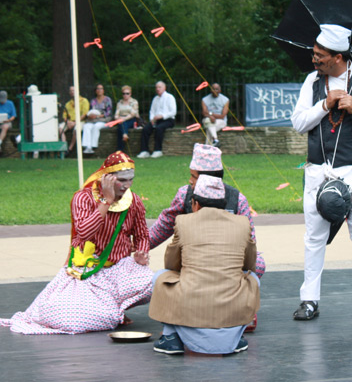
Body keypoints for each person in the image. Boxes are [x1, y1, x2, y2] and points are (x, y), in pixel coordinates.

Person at [290, 24, 352, 321]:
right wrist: (325, 104)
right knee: (314, 237)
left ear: (337, 57)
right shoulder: (312, 82)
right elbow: (298, 123)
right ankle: (309, 299)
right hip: (317, 172)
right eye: (314, 53)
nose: (314, 58)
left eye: (319, 55)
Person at [0, 151, 154, 334]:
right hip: (87, 271)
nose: (127, 186)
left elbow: (142, 235)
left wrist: (142, 253)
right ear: (107, 178)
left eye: (131, 180)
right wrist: (106, 201)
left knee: (150, 282)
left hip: (118, 269)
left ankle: (116, 311)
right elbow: (84, 233)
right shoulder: (83, 198)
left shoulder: (134, 201)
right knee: (74, 321)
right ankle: (109, 313)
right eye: (122, 180)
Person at [149, 174, 260, 355]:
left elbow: (171, 264)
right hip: (232, 304)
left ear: (195, 204)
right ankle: (236, 335)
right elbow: (250, 264)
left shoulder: (183, 221)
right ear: (224, 203)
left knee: (160, 276)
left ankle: (171, 338)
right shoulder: (243, 223)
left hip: (189, 306)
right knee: (253, 278)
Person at [149, 143, 266, 279]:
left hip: (229, 261)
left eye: (194, 176)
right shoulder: (184, 194)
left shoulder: (237, 200)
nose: (190, 180)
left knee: (258, 264)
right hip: (194, 259)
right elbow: (164, 225)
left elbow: (250, 243)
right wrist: (140, 244)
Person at [136, 81, 176, 159]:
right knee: (145, 129)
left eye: (159, 87)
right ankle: (144, 151)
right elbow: (152, 111)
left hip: (168, 120)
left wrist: (162, 116)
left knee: (159, 128)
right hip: (156, 120)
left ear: (164, 88)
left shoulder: (170, 97)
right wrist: (152, 119)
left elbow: (173, 112)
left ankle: (158, 150)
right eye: (156, 87)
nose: (157, 89)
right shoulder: (155, 99)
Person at [82, 83, 113, 154]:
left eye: (101, 88)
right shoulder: (93, 101)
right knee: (86, 126)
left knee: (96, 127)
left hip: (103, 120)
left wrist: (98, 116)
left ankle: (93, 146)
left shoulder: (107, 100)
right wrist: (89, 115)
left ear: (103, 90)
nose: (99, 90)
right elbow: (90, 110)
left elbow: (108, 112)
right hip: (93, 120)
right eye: (97, 89)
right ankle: (87, 146)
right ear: (95, 91)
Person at [59, 86, 89, 156]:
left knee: (76, 129)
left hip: (80, 121)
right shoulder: (68, 103)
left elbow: (84, 114)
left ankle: (70, 148)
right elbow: (64, 115)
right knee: (60, 128)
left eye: (74, 90)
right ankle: (64, 148)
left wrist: (75, 122)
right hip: (69, 122)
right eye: (71, 91)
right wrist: (67, 122)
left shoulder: (84, 101)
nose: (72, 92)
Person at [201, 83, 229, 147]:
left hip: (221, 121)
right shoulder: (204, 99)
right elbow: (204, 113)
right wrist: (210, 116)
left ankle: (208, 148)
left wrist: (210, 114)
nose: (215, 91)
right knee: (208, 121)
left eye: (217, 89)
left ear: (220, 90)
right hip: (208, 120)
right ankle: (215, 140)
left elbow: (222, 116)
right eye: (213, 89)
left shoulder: (225, 100)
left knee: (209, 130)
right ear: (211, 90)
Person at [115, 85, 139, 152]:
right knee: (121, 124)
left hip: (131, 119)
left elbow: (133, 114)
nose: (125, 95)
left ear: (130, 94)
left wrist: (123, 119)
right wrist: (118, 118)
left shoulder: (134, 102)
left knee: (122, 124)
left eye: (127, 93)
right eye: (124, 93)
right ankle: (125, 135)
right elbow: (116, 114)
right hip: (121, 120)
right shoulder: (120, 102)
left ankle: (119, 149)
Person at [0, 90, 17, 154]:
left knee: (5, 127)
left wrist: (8, 120)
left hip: (7, 122)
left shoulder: (10, 103)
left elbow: (13, 116)